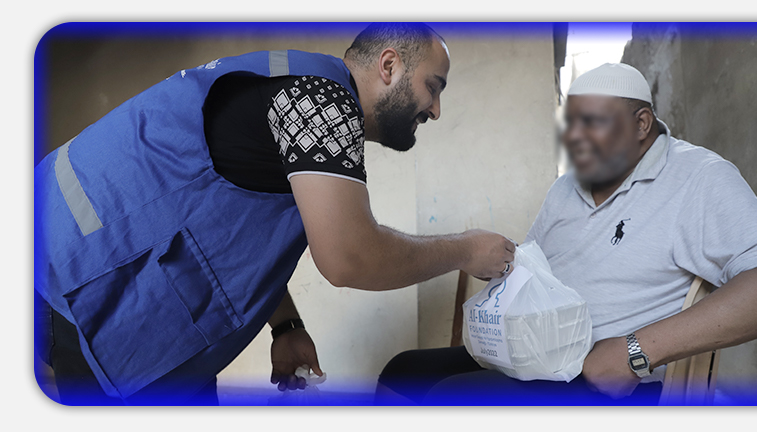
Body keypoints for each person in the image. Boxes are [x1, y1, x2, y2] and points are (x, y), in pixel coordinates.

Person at [34, 22, 516, 405]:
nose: (436, 110)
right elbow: (349, 257)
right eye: (434, 87)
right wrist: (466, 249)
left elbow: (236, 233)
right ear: (389, 65)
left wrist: (286, 324)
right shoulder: (320, 102)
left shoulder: (300, 97)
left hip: (77, 272)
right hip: (85, 283)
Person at [375, 63, 757, 405]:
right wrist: (501, 266)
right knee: (403, 373)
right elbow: (538, 274)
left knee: (455, 397)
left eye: (592, 124)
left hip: (615, 378)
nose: (575, 139)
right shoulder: (568, 187)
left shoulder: (698, 177)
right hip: (544, 356)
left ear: (641, 124)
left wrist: (635, 351)